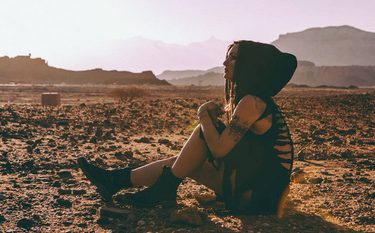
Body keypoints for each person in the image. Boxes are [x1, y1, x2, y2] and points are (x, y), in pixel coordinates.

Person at [78, 40, 297, 215]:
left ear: (249, 64)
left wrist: (203, 114)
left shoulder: (252, 102)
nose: (225, 63)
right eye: (227, 57)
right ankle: (116, 181)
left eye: (233, 58)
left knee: (201, 135)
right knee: (182, 163)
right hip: (254, 186)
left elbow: (219, 150)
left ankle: (148, 187)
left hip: (261, 196)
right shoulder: (248, 101)